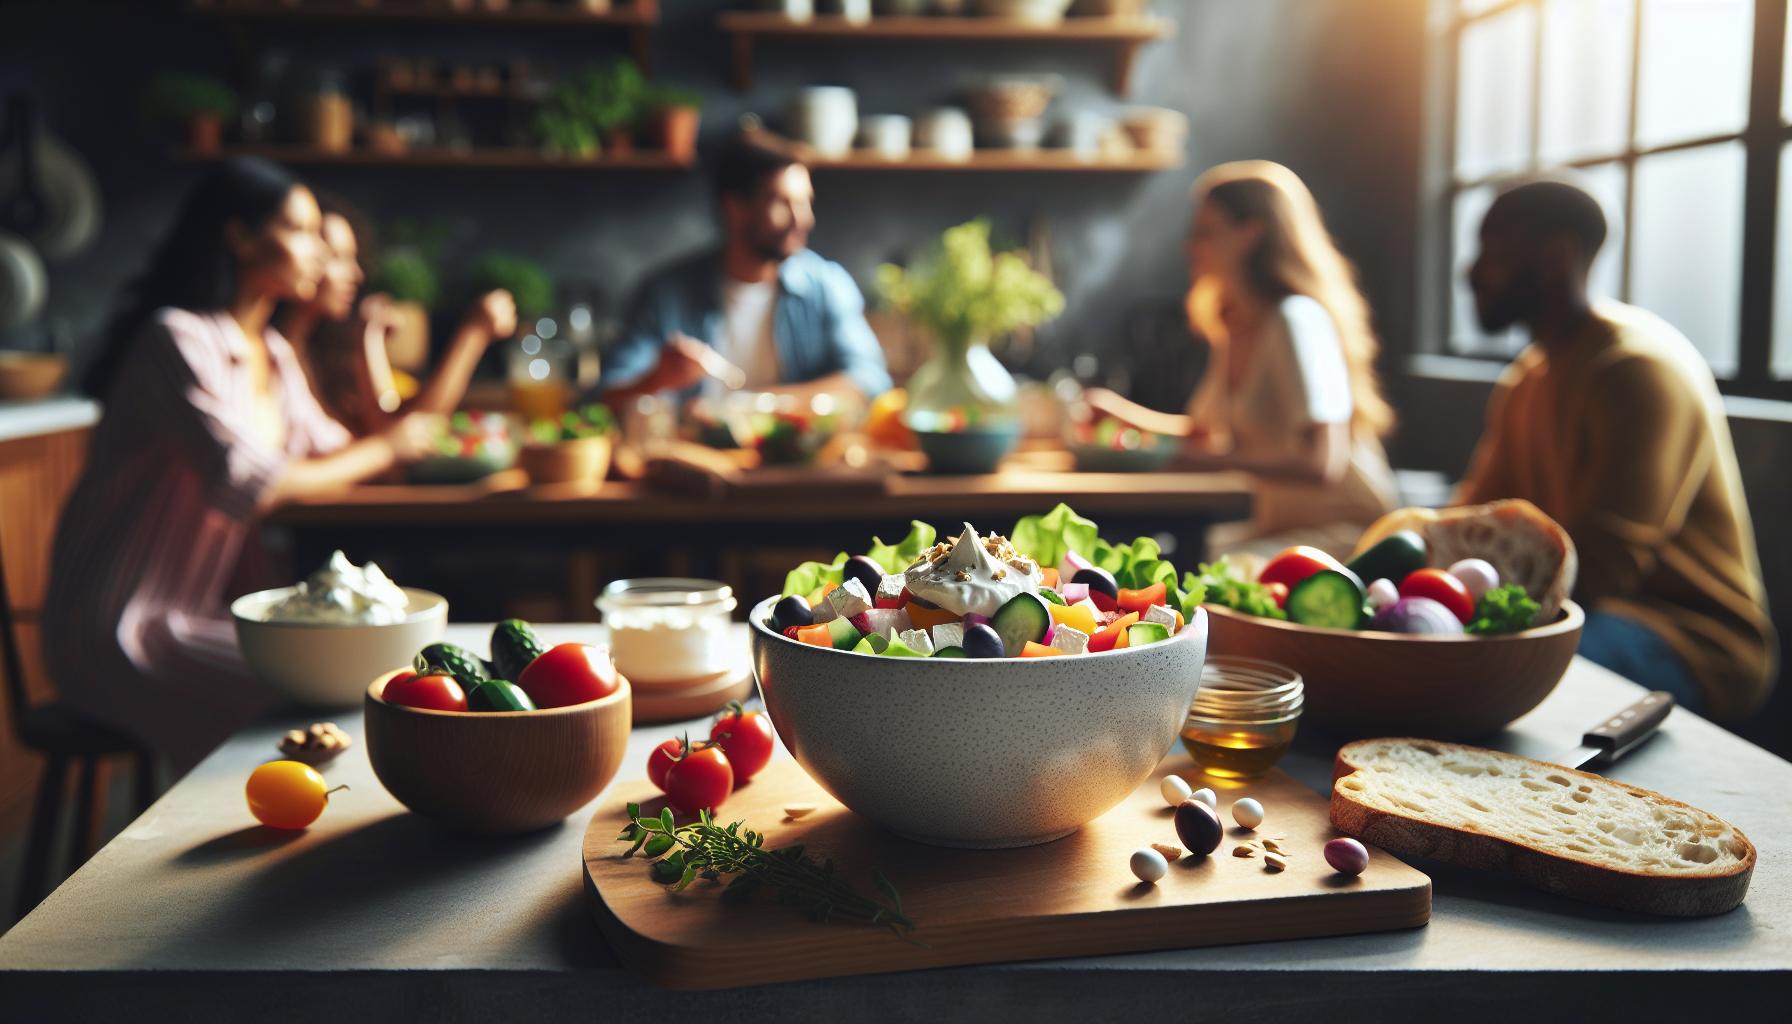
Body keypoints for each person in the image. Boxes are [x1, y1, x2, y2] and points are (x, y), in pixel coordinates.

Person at [42, 158, 435, 770]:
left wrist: (366, 348)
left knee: (356, 675)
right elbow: (255, 485)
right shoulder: (175, 340)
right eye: (302, 232)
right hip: (120, 627)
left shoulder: (273, 355)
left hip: (206, 616)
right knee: (315, 695)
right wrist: (387, 447)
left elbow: (350, 460)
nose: (320, 253)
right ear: (242, 237)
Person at [1458, 178, 1776, 720]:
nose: (1472, 272)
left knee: (1474, 673)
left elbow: (1606, 564)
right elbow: (1470, 524)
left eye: (1493, 251)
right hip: (1579, 608)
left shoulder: (1639, 370)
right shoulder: (1527, 379)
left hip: (1686, 636)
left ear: (1555, 256)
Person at [1087, 160, 1399, 551]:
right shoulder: (1236, 325)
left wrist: (1211, 462)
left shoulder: (1296, 319)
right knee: (1157, 555)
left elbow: (1323, 463)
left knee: (1191, 571)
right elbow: (1202, 433)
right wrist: (1119, 414)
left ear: (1250, 233)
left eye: (1205, 232)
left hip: (1351, 533)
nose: (1190, 246)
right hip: (1281, 530)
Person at [598, 135, 892, 408]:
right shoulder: (665, 294)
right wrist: (656, 378)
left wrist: (759, 406)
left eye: (805, 203)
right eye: (782, 202)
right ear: (735, 208)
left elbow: (870, 379)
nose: (802, 219)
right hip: (693, 459)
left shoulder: (825, 285)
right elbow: (603, 400)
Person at [277, 196, 518, 437]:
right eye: (338, 258)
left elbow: (388, 427)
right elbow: (399, 434)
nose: (357, 274)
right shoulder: (275, 356)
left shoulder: (316, 355)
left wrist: (368, 338)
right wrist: (473, 333)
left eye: (354, 259)